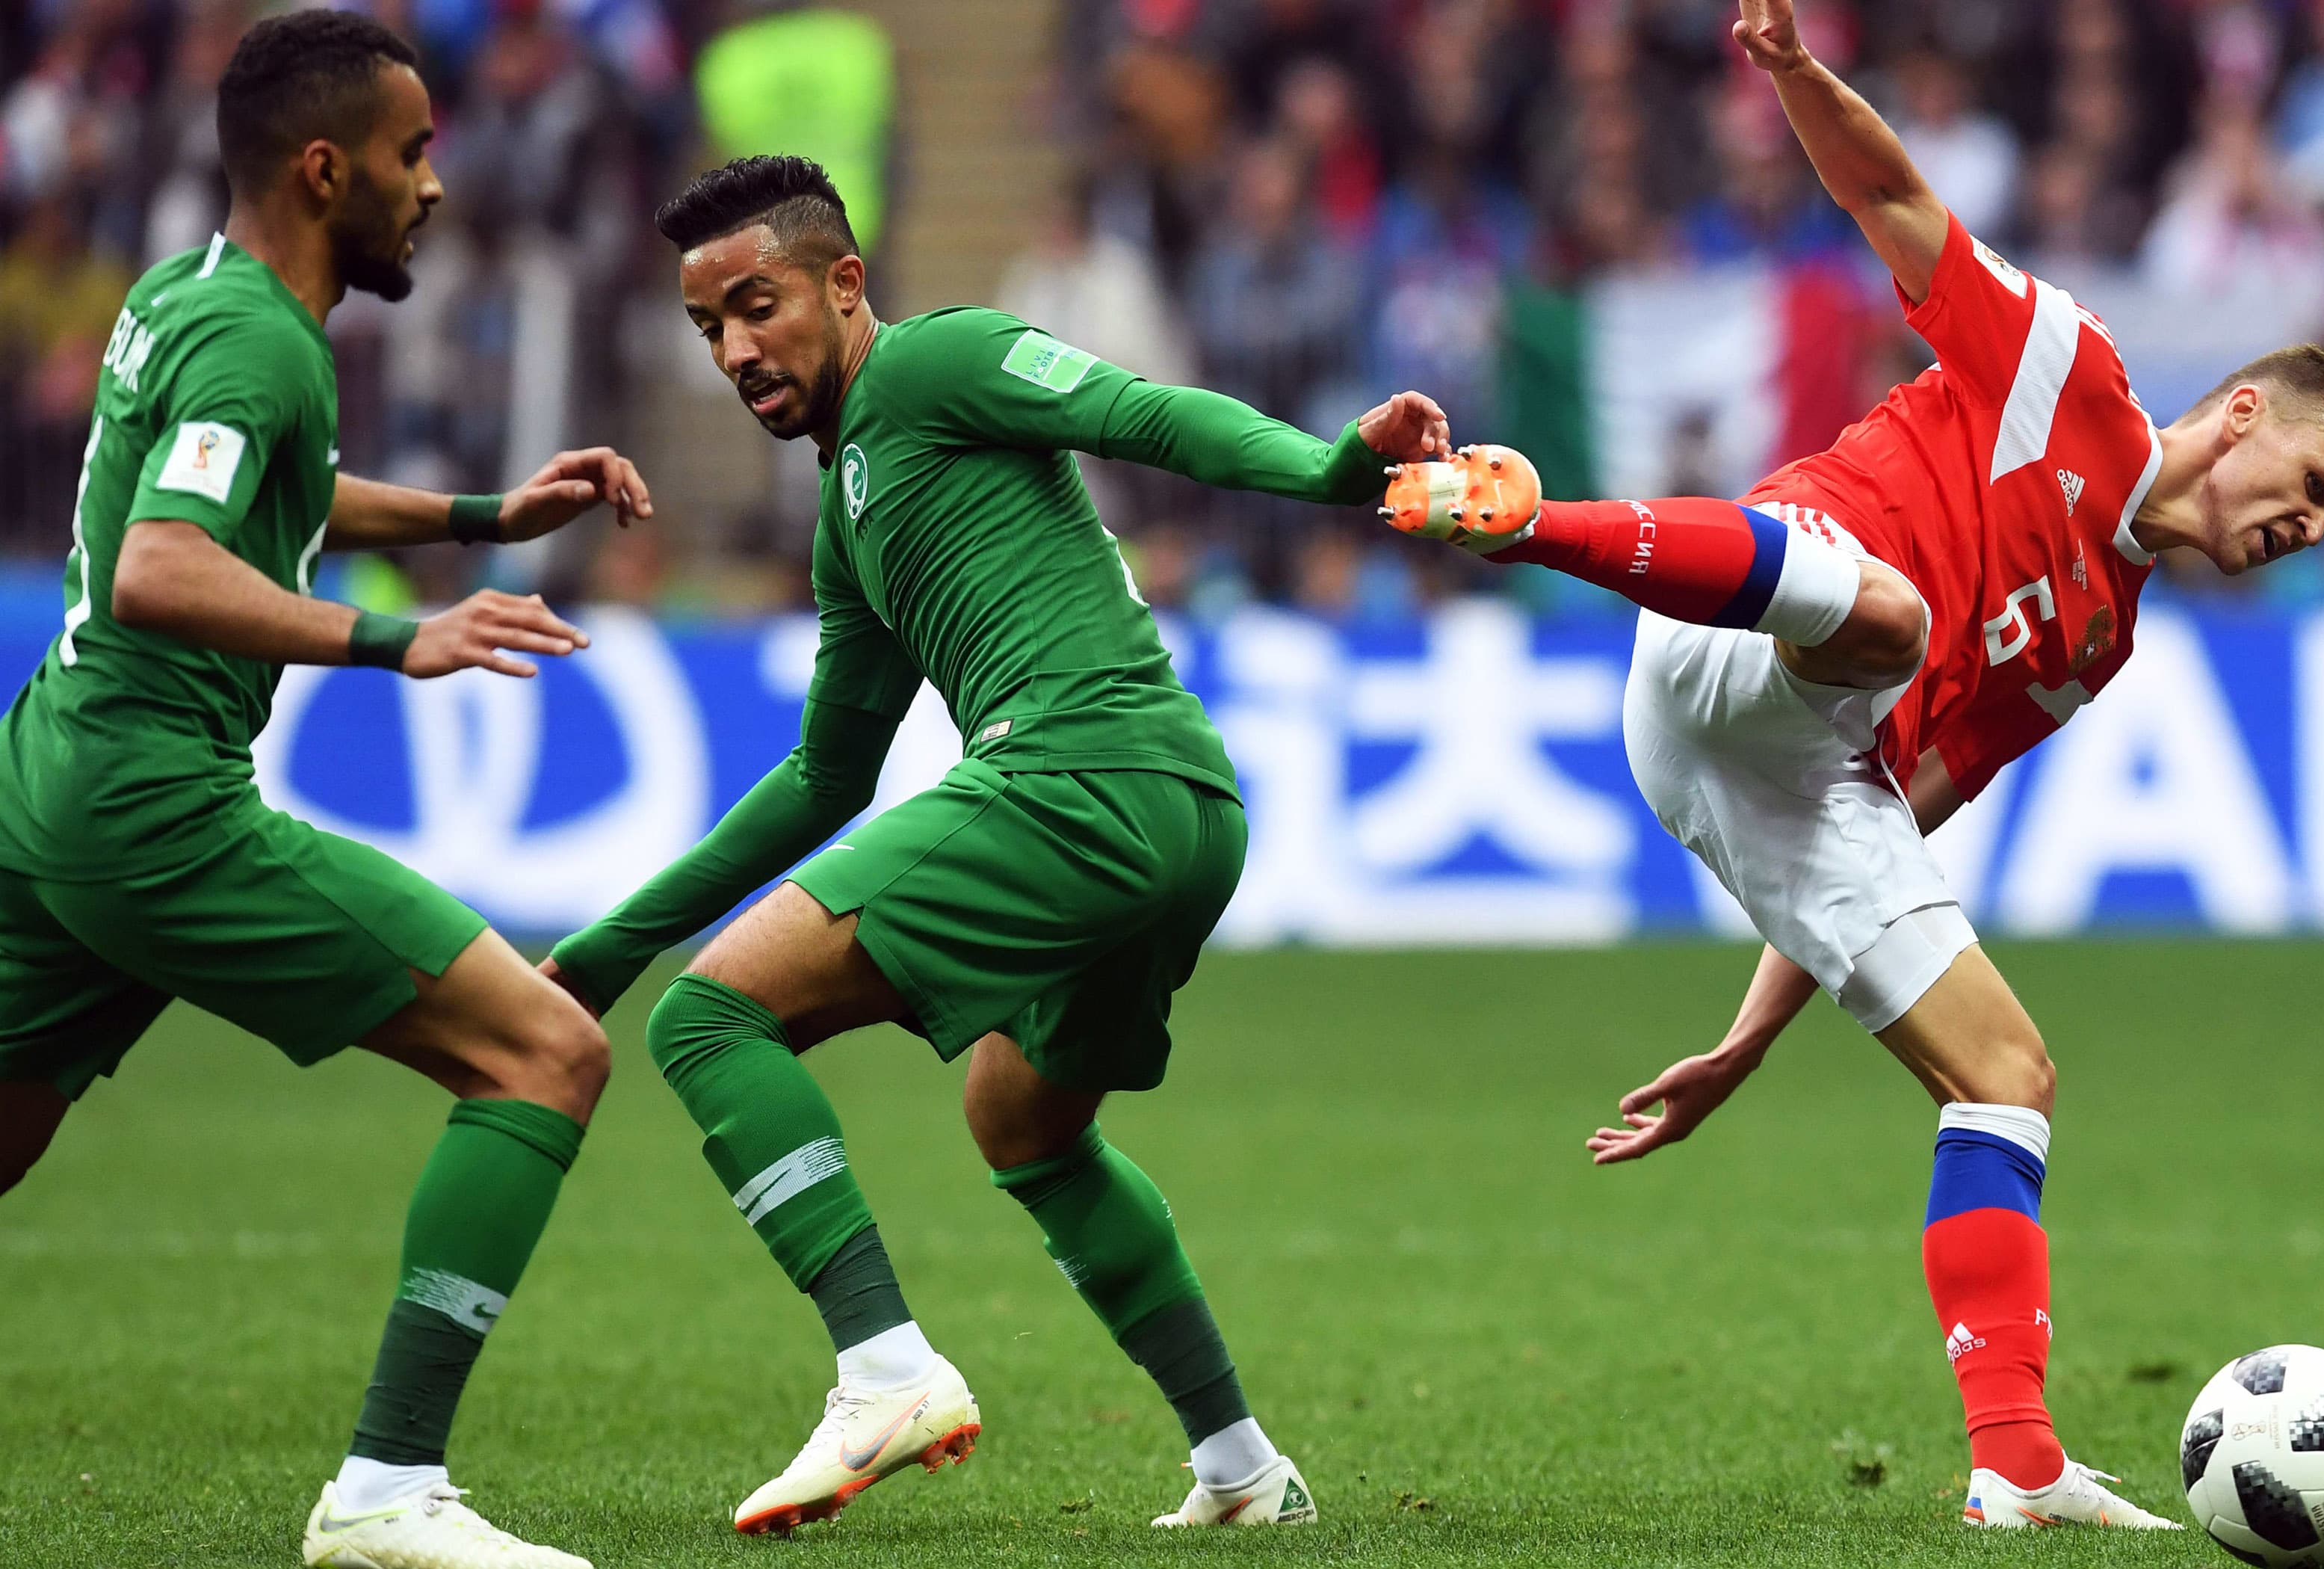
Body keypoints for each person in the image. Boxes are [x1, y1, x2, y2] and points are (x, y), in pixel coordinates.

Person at [1380, 0, 2324, 1531]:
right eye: (2317, 486)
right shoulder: (2065, 373)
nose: (2310, 528)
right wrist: (1798, 71)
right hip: (1729, 622)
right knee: (1886, 610)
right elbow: (1889, 203)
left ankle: (2013, 1464)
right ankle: (1518, 517)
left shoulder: (2095, 642)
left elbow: (1903, 812)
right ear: (2245, 414)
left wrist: (1742, 1040)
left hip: (1782, 771)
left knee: (2006, 1077)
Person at [539, 154, 1447, 1535]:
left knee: (711, 1023)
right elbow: (820, 779)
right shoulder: (848, 530)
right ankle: (1244, 1469)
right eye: (707, 325)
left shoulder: (937, 363)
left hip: (1081, 769)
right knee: (1020, 1116)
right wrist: (608, 942)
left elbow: (1144, 414)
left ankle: (883, 1372)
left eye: (758, 304)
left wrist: (1334, 472)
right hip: (1181, 812)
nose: (734, 349)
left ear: (846, 284)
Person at [0, 14, 655, 1569]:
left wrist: (477, 515)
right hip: (156, 798)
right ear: (324, 166)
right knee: (545, 1055)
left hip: (57, 772)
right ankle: (386, 1492)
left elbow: (253, 495)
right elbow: (166, 565)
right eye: (411, 153)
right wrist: (396, 640)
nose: (433, 185)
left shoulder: (188, 294)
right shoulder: (261, 342)